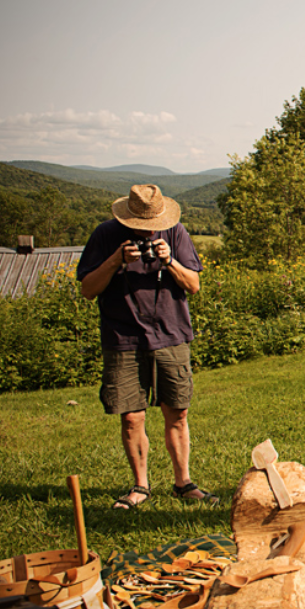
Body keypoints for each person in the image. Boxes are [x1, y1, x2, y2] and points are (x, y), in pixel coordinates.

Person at [77, 184, 212, 509]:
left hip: (171, 334)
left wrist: (170, 262)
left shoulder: (175, 232)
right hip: (123, 337)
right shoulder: (106, 234)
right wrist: (115, 261)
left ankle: (184, 483)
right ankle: (140, 485)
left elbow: (194, 285)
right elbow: (87, 289)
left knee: (178, 412)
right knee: (131, 417)